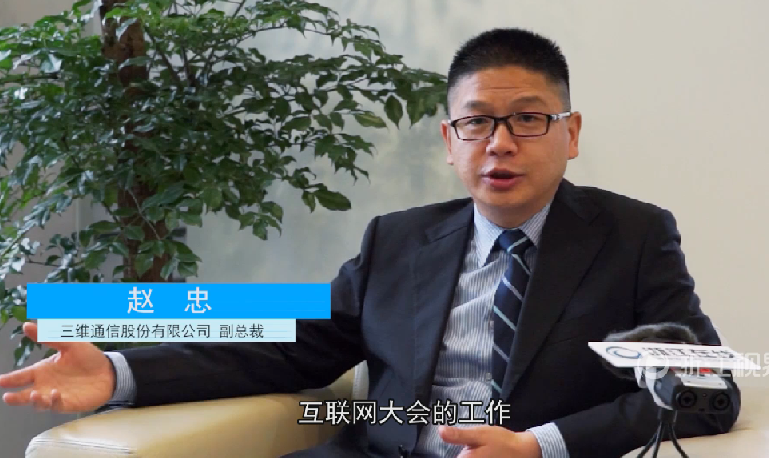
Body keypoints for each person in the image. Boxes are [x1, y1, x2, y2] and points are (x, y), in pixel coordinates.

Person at [0, 27, 739, 458]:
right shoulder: (399, 239)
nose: (499, 142)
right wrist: (121, 372)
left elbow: (706, 392)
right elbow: (288, 343)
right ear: (449, 140)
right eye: (476, 122)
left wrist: (541, 445)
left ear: (569, 133)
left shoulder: (633, 236)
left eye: (527, 118)